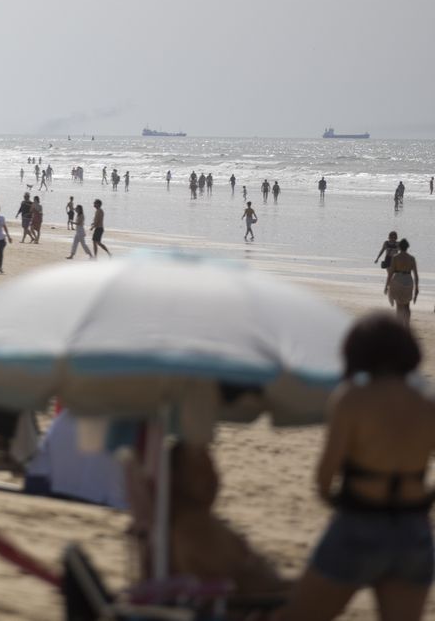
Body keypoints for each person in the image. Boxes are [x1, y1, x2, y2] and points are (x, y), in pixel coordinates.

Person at [281, 314, 435, 621]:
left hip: (360, 521)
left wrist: (335, 500)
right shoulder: (427, 402)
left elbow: (325, 477)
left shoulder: (352, 398)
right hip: (413, 528)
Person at [170, 442, 290, 600]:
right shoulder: (193, 528)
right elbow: (245, 582)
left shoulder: (203, 522)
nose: (211, 477)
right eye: (198, 470)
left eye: (211, 467)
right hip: (256, 605)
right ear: (177, 479)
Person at [385, 241, 418, 326]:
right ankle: (406, 325)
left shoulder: (395, 257)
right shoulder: (411, 258)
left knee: (399, 306)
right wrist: (416, 288)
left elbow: (391, 273)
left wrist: (386, 285)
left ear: (399, 247)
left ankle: (399, 325)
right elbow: (415, 275)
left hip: (398, 280)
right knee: (407, 306)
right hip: (408, 280)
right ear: (407, 247)